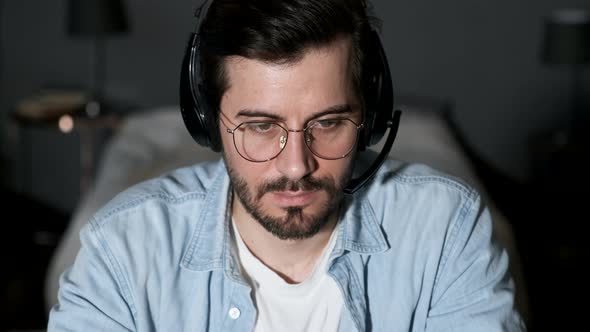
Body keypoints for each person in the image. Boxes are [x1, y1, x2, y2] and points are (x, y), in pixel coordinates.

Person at [48, 0, 526, 331]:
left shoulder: (447, 229)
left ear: (369, 116)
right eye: (260, 127)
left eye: (329, 123)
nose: (297, 165)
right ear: (208, 122)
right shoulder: (121, 250)